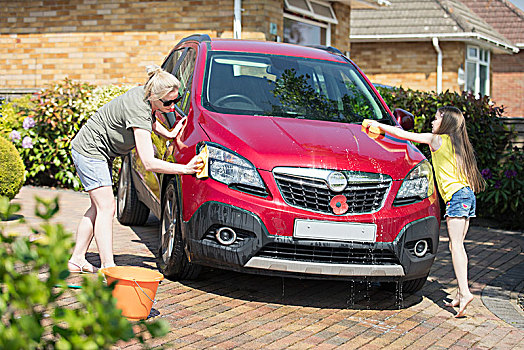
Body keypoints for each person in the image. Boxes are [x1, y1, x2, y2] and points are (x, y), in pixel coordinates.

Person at [68, 65, 203, 273]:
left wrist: (168, 134)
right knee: (107, 207)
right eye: (168, 102)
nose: (173, 107)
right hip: (89, 151)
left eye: (176, 100)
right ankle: (108, 266)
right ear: (154, 96)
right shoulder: (139, 107)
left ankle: (77, 259)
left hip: (97, 151)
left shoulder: (144, 96)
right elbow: (148, 162)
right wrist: (185, 169)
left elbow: (147, 120)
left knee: (97, 207)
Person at [369, 106, 485, 318]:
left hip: (457, 198)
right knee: (456, 245)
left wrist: (379, 126)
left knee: (456, 246)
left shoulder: (436, 140)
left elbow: (404, 135)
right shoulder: (459, 144)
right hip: (466, 196)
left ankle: (466, 292)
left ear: (446, 123)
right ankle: (460, 293)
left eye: (436, 118)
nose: (432, 122)